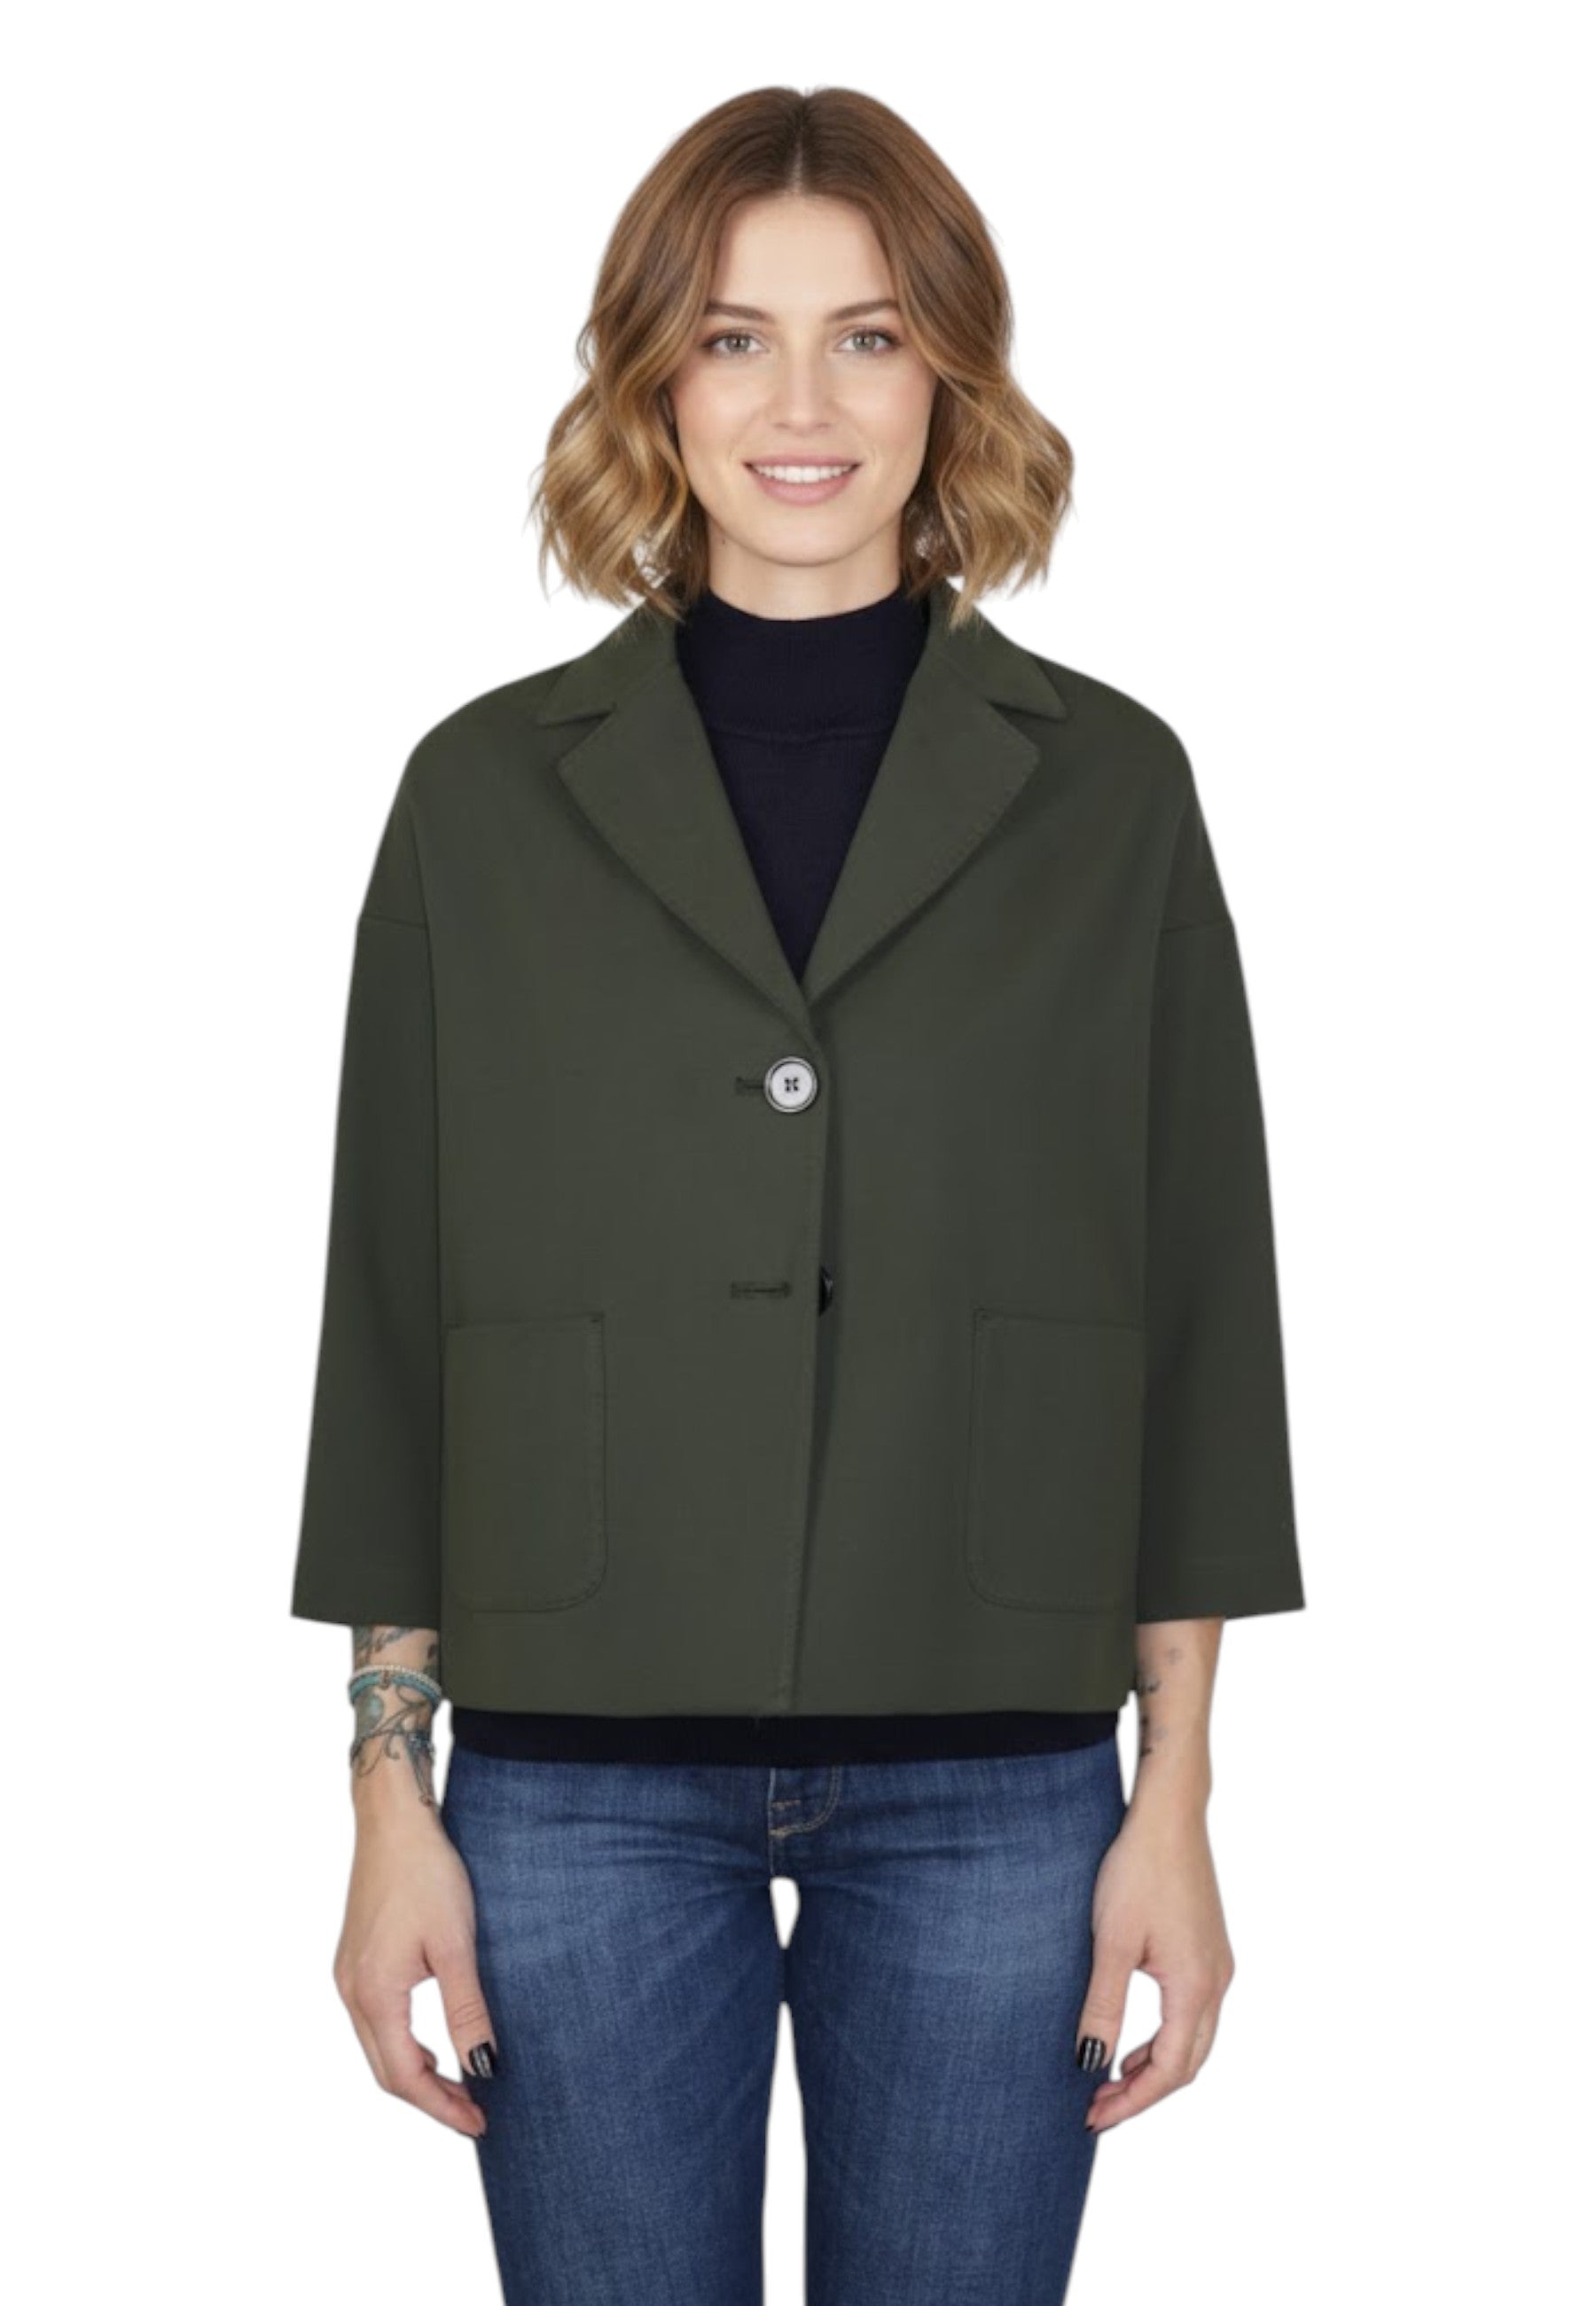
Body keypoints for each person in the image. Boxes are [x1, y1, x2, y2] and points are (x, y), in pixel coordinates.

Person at [290, 83, 1305, 2306]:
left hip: (997, 1780)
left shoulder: (1111, 789)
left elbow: (1198, 1307)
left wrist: (1179, 1794)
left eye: (869, 336)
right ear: (655, 379)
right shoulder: (481, 795)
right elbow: (392, 1316)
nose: (804, 406)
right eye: (735, 339)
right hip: (574, 1775)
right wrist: (387, 1791)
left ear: (952, 371)